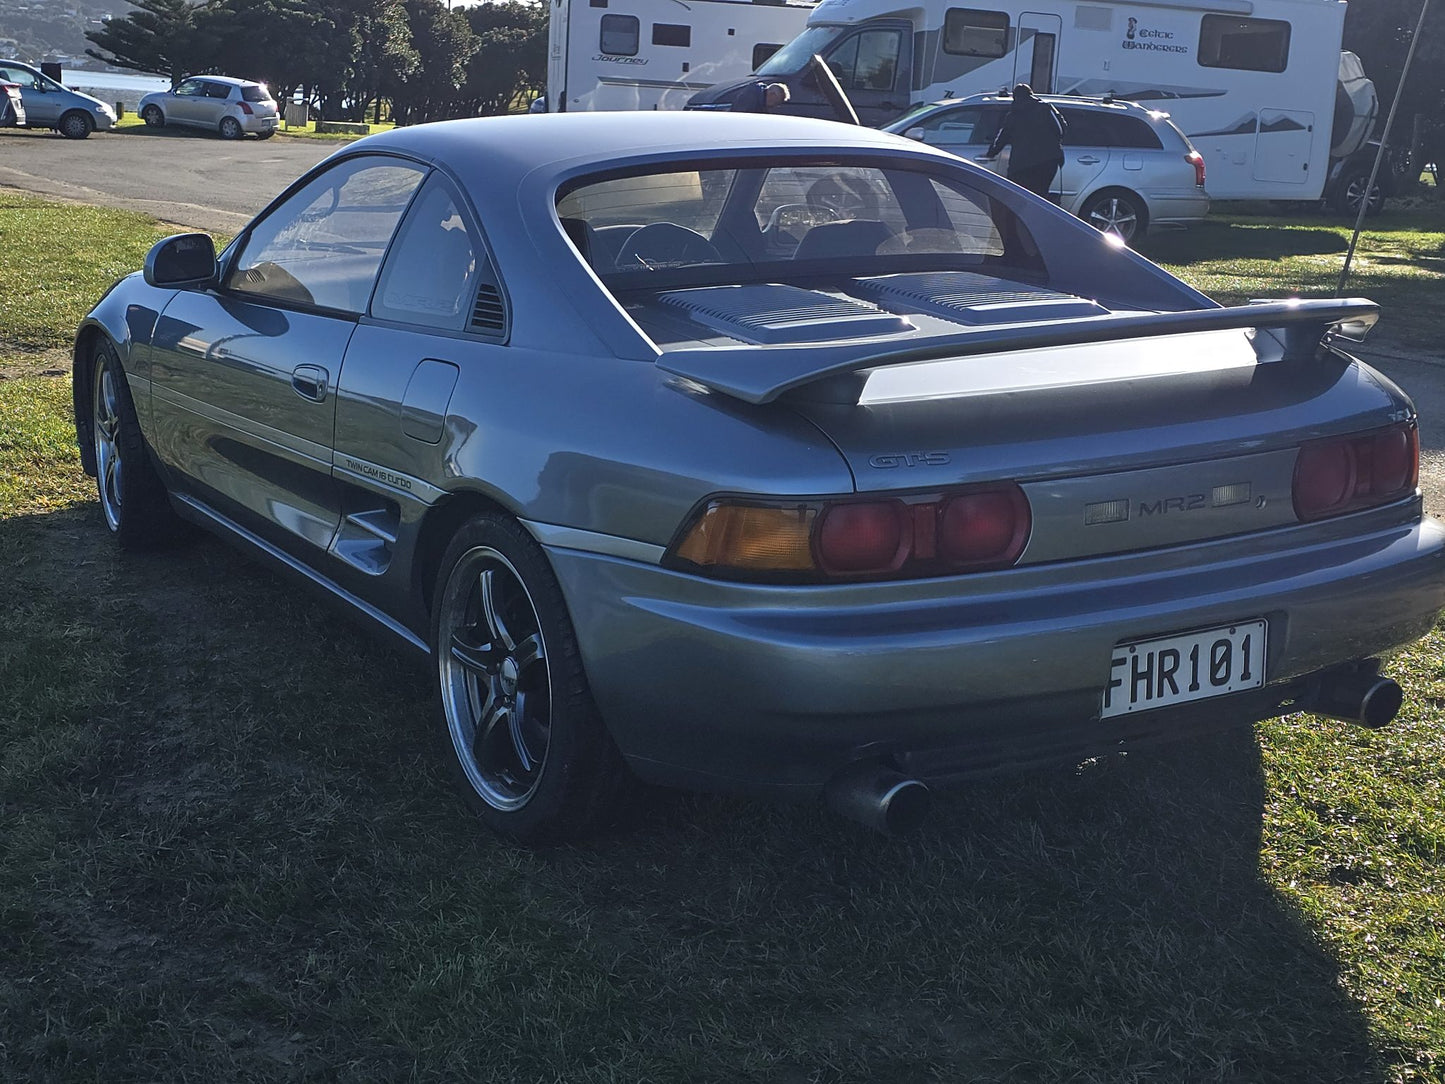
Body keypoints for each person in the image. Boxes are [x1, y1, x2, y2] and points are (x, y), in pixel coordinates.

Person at [983, 84, 1067, 200]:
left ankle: (1019, 217)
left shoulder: (1013, 115)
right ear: (1031, 94)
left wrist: (991, 153)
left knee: (1018, 196)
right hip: (1047, 161)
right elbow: (1062, 129)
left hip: (1021, 164)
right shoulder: (1046, 109)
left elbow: (1002, 137)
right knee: (1040, 196)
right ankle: (1037, 216)